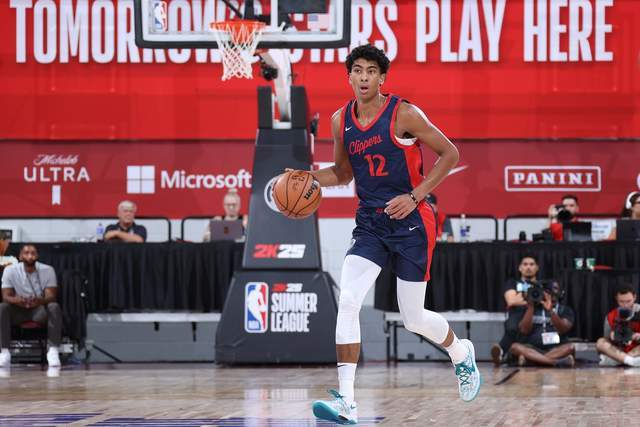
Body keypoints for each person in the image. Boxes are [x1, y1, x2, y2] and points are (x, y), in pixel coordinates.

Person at [301, 44, 479, 425]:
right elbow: (343, 173)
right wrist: (308, 177)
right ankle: (347, 402)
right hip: (370, 223)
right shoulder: (340, 120)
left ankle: (461, 352)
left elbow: (449, 153)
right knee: (349, 300)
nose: (364, 77)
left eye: (371, 71)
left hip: (412, 221)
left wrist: (415, 196)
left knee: (413, 318)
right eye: (357, 70)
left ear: (382, 78)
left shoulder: (404, 113)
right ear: (349, 77)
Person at [0, 244, 62, 367]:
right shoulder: (10, 270)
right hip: (18, 310)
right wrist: (17, 300)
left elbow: (51, 296)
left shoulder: (48, 270)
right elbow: (6, 296)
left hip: (38, 310)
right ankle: (4, 352)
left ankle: (53, 351)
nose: (30, 256)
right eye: (26, 253)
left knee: (54, 307)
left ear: (37, 256)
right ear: (20, 256)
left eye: (33, 253)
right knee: (2, 307)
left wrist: (39, 300)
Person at [509, 280, 575, 367]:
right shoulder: (529, 308)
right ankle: (554, 362)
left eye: (555, 289)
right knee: (515, 347)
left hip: (555, 348)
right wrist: (531, 308)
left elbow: (563, 329)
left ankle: (532, 361)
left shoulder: (565, 310)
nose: (552, 293)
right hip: (532, 348)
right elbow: (524, 330)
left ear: (561, 292)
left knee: (570, 347)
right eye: (548, 291)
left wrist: (550, 311)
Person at [491, 255, 539, 365]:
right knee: (512, 327)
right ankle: (504, 353)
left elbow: (546, 301)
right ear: (520, 268)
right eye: (525, 264)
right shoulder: (512, 283)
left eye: (531, 264)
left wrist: (521, 297)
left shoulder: (541, 285)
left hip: (536, 315)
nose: (528, 267)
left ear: (537, 268)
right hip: (516, 315)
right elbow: (511, 301)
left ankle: (504, 352)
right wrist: (533, 299)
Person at [596, 284, 640, 367]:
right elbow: (606, 341)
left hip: (636, 349)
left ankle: (620, 360)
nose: (625, 305)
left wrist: (638, 336)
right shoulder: (610, 316)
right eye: (621, 302)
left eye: (628, 301)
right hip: (619, 350)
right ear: (616, 299)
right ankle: (631, 361)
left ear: (634, 297)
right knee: (600, 342)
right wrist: (612, 337)